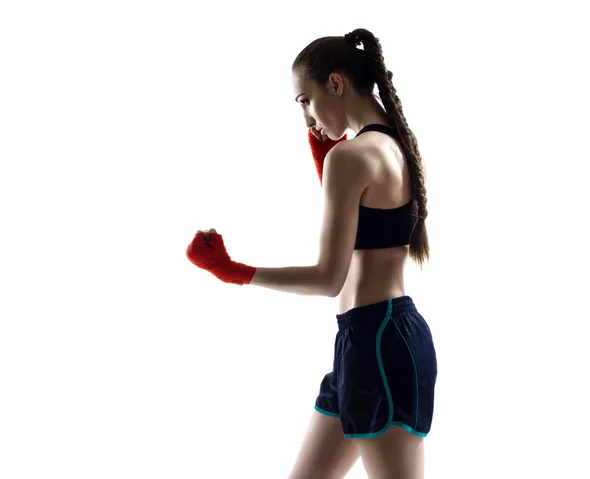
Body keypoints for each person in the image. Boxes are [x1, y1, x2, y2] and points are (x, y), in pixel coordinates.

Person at [187, 28, 437, 479]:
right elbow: (372, 227)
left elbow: (329, 278)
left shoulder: (352, 156)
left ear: (335, 84)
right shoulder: (392, 145)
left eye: (305, 100)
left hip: (376, 343)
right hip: (371, 340)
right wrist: (327, 164)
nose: (307, 118)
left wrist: (234, 271)